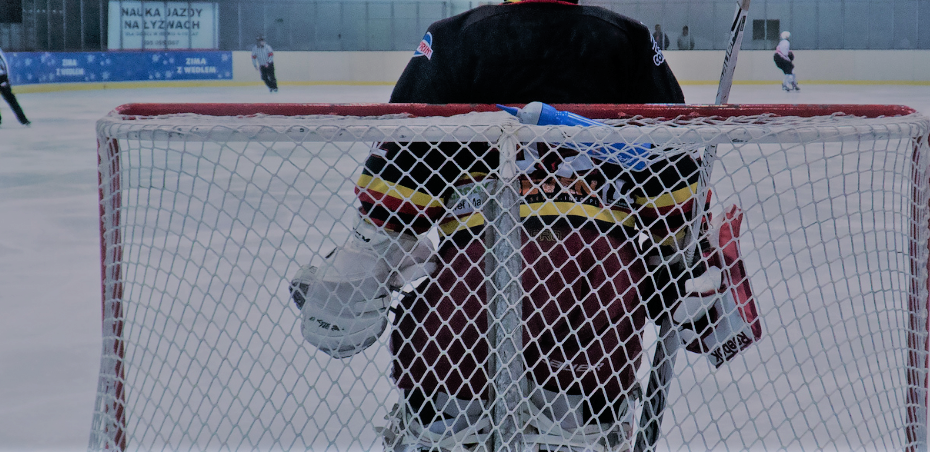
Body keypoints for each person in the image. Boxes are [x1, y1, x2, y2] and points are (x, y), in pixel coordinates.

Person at [291, 0, 707, 450]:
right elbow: (673, 169)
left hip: (475, 275)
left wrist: (365, 256)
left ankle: (446, 423)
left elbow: (402, 174)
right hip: (596, 274)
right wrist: (683, 254)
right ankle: (579, 423)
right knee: (579, 417)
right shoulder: (628, 39)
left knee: (447, 406)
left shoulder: (457, 37)